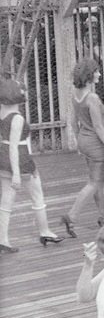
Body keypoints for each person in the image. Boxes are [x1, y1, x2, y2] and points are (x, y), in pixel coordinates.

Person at [0, 78, 64, 254]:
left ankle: (2, 239)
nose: (24, 92)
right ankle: (44, 231)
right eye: (21, 90)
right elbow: (15, 146)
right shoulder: (18, 118)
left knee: (6, 201)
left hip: (3, 155)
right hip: (20, 158)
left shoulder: (2, 113)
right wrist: (16, 174)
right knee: (37, 196)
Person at [63, 57, 104, 237]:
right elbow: (98, 126)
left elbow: (72, 121)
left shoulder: (75, 94)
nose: (100, 74)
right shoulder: (92, 98)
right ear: (89, 75)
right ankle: (71, 216)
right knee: (94, 183)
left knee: (97, 181)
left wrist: (79, 141)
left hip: (84, 141)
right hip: (95, 143)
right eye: (97, 71)